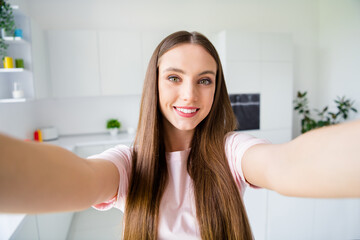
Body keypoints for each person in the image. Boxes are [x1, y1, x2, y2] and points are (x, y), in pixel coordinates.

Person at [0, 31, 359, 240]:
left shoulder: (231, 151)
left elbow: (287, 164)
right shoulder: (129, 164)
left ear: (216, 89)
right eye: (174, 77)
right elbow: (79, 178)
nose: (190, 95)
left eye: (205, 80)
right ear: (154, 85)